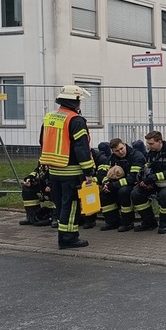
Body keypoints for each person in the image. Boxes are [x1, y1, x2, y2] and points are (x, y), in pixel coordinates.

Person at [38, 85, 95, 249]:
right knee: (70, 206)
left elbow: (42, 141)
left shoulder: (49, 117)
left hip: (54, 170)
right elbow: (81, 148)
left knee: (61, 203)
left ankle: (64, 236)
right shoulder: (75, 120)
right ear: (75, 101)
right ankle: (68, 238)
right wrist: (88, 172)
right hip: (72, 171)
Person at [130, 131, 166, 234]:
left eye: (151, 143)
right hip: (155, 183)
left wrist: (152, 178)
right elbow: (147, 169)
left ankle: (164, 223)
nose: (148, 146)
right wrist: (144, 180)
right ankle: (149, 222)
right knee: (136, 193)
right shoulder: (151, 153)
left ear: (159, 141)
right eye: (147, 143)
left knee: (164, 195)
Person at [98, 138, 146, 232]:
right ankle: (112, 222)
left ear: (124, 144)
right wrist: (106, 183)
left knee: (123, 192)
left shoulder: (136, 155)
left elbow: (133, 178)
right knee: (104, 193)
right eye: (117, 151)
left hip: (134, 183)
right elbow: (103, 173)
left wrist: (114, 185)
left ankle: (127, 222)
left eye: (121, 148)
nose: (120, 152)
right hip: (118, 183)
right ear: (112, 151)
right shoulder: (111, 158)